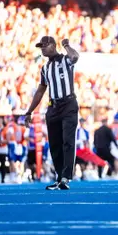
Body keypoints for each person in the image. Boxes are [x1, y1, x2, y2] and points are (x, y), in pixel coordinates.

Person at [24, 36, 80, 190]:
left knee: (68, 141)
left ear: (54, 45)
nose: (42, 48)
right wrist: (29, 111)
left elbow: (75, 57)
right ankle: (59, 176)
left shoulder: (65, 60)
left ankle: (66, 177)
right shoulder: (45, 68)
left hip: (68, 104)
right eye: (40, 46)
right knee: (54, 144)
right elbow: (41, 90)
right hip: (53, 107)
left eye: (45, 45)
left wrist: (67, 45)